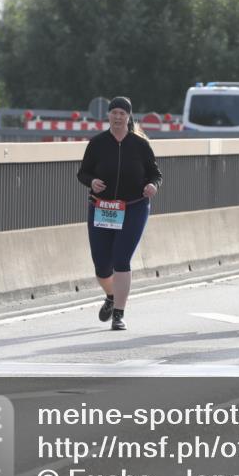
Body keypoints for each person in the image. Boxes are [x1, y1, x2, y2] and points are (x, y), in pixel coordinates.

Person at [77, 96, 162, 331]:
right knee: (102, 266)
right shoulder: (97, 143)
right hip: (102, 208)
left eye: (122, 113)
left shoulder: (140, 145)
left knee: (121, 260)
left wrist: (152, 185)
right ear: (108, 115)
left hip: (134, 207)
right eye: (114, 112)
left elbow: (156, 174)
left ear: (128, 116)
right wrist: (91, 181)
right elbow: (82, 173)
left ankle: (119, 314)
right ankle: (111, 295)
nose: (117, 117)